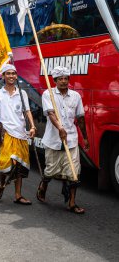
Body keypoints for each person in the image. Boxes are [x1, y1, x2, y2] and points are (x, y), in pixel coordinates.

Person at [36, 66, 90, 214]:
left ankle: (71, 203)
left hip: (71, 139)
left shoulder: (75, 96)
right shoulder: (48, 94)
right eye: (60, 79)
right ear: (55, 80)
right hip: (53, 140)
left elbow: (80, 118)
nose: (64, 81)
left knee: (74, 173)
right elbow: (51, 114)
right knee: (50, 171)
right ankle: (43, 186)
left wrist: (85, 138)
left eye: (66, 79)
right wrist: (60, 128)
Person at [0, 64, 36, 205]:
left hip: (21, 133)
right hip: (5, 133)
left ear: (16, 76)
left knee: (19, 165)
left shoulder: (22, 94)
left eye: (14, 73)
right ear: (3, 76)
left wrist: (32, 126)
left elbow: (27, 111)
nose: (11, 76)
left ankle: (18, 195)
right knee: (5, 164)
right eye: (8, 73)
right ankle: (2, 184)